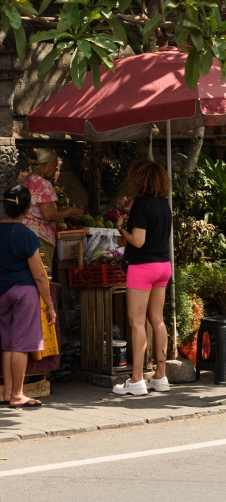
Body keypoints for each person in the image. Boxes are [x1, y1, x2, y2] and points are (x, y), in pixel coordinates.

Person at [0, 185, 57, 408]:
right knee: (21, 345)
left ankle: (7, 392)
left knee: (8, 344)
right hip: (24, 292)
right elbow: (39, 276)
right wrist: (50, 305)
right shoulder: (27, 235)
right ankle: (17, 395)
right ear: (25, 209)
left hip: (1, 291)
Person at [113, 159, 172, 396]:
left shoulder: (141, 205)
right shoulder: (164, 205)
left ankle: (136, 379)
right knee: (157, 319)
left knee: (136, 322)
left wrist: (121, 229)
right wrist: (132, 211)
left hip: (142, 267)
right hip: (163, 265)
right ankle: (161, 376)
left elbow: (138, 241)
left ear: (140, 179)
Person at [20, 148, 84, 268]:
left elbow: (39, 207)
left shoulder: (25, 180)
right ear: (44, 164)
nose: (55, 170)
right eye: (54, 166)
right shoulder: (43, 184)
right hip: (39, 238)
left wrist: (66, 210)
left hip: (22, 235)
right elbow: (49, 215)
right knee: (42, 274)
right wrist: (69, 212)